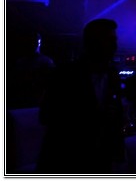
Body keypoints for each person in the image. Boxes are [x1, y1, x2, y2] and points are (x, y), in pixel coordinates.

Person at [37, 19, 125, 174]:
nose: (115, 46)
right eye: (110, 40)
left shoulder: (112, 74)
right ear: (92, 43)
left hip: (98, 159)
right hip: (66, 160)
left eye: (114, 40)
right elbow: (47, 115)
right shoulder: (65, 75)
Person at [8, 30, 55, 109]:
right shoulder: (21, 62)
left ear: (39, 42)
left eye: (35, 41)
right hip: (25, 100)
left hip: (38, 100)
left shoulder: (47, 61)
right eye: (32, 41)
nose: (33, 43)